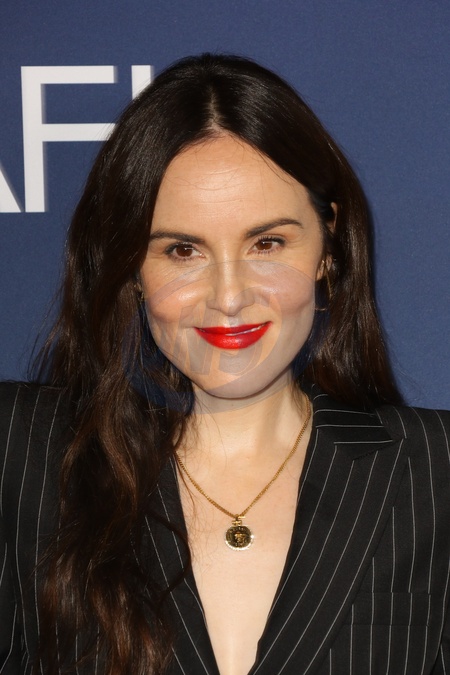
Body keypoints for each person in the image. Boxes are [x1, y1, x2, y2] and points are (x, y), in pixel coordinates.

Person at [1, 53, 449, 675]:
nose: (229, 297)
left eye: (267, 243)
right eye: (183, 250)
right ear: (132, 267)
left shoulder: (435, 470)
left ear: (327, 247)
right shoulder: (21, 453)